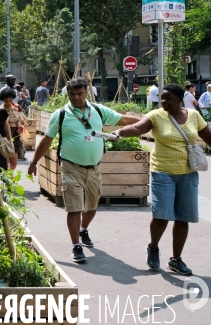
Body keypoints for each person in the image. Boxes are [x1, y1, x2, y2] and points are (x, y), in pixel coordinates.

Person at [28, 77, 140, 263]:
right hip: (71, 167)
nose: (76, 97)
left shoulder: (97, 111)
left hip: (94, 168)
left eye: (79, 93)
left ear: (87, 92)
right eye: (72, 94)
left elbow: (123, 119)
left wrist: (149, 121)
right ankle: (76, 246)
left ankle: (83, 229)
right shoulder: (61, 114)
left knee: (92, 206)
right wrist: (33, 162)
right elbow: (47, 140)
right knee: (74, 208)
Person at [112, 84, 211, 275]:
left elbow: (208, 137)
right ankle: (154, 247)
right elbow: (137, 127)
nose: (164, 101)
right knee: (161, 216)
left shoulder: (194, 116)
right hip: (162, 173)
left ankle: (176, 259)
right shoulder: (156, 115)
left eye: (169, 98)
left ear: (180, 100)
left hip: (188, 174)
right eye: (162, 98)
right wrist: (121, 132)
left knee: (183, 218)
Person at [1, 87, 25, 170]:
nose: (8, 103)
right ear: (3, 100)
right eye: (6, 101)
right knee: (6, 162)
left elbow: (23, 120)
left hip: (15, 135)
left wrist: (21, 128)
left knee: (14, 162)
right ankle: (8, 180)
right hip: (4, 136)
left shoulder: (18, 108)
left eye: (10, 100)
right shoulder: (0, 110)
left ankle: (10, 176)